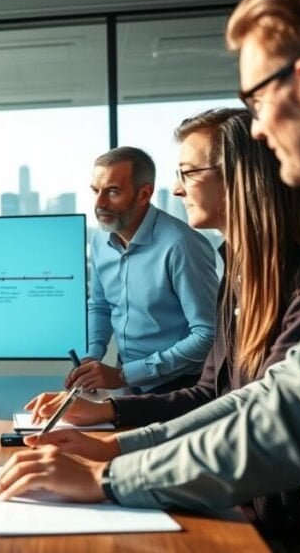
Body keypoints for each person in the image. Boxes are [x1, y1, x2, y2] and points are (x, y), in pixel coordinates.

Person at [0, 0, 300, 551]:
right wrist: (117, 440)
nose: (260, 130)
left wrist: (112, 474)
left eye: (257, 101)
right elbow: (259, 395)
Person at [26, 107, 300, 545]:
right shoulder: (241, 273)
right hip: (252, 504)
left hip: (298, 526)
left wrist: (111, 473)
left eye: (189, 172)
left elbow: (268, 422)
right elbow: (214, 394)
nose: (178, 187)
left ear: (240, 178)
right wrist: (110, 424)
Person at [70, 146, 217, 394]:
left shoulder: (181, 245)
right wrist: (92, 357)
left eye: (113, 191)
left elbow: (207, 334)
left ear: (144, 194)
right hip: (127, 380)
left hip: (180, 387)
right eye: (96, 191)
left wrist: (126, 375)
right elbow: (100, 304)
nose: (99, 203)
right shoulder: (99, 240)